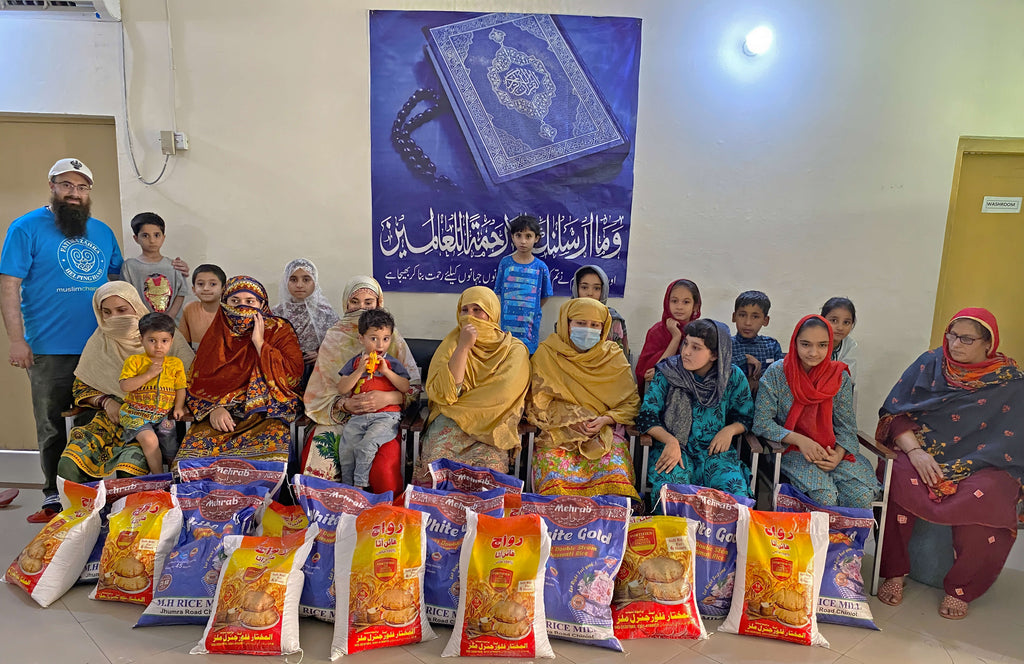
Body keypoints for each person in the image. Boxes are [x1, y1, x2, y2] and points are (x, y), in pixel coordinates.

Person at [875, 308, 1024, 620]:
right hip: (922, 450)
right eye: (952, 335)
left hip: (981, 462)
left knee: (992, 493)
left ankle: (961, 588)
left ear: (988, 343)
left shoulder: (1010, 382)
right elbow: (895, 414)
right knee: (897, 474)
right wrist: (916, 452)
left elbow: (1013, 440)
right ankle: (894, 571)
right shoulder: (930, 363)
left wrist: (968, 465)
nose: (955, 344)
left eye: (966, 339)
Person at [0, 158, 124, 522]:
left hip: (100, 347)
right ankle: (53, 495)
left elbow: (120, 281)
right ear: (52, 186)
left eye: (82, 187)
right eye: (67, 185)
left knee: (96, 421)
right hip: (48, 347)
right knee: (52, 424)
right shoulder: (25, 228)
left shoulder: (102, 232)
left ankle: (90, 492)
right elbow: (9, 286)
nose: (74, 193)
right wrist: (16, 340)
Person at [58, 282, 193, 486]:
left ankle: (156, 491)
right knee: (70, 463)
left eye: (122, 310)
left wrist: (172, 406)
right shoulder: (99, 341)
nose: (114, 318)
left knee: (129, 467)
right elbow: (81, 387)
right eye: (107, 312)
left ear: (136, 307)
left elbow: (190, 380)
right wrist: (106, 402)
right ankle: (83, 504)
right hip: (108, 420)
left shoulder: (166, 337)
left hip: (154, 421)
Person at [302, 276, 421, 490]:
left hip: (383, 418)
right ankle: (334, 506)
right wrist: (344, 404)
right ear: (345, 304)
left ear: (378, 304)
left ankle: (373, 505)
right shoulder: (334, 337)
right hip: (338, 420)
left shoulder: (391, 338)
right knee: (322, 461)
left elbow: (412, 387)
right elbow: (319, 392)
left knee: (382, 467)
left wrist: (389, 397)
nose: (361, 308)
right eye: (354, 302)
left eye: (368, 302)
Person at [173, 276, 303, 469]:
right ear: (225, 305)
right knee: (190, 467)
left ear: (262, 304)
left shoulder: (278, 330)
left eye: (250, 302)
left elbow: (293, 375)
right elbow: (197, 381)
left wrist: (260, 344)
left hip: (266, 414)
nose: (242, 307)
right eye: (235, 301)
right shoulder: (217, 334)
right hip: (221, 416)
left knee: (266, 468)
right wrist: (213, 409)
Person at [752, 315, 878, 508]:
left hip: (830, 450)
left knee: (860, 496)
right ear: (795, 343)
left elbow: (847, 427)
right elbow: (762, 422)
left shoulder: (839, 377)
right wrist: (800, 440)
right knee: (825, 497)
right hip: (792, 450)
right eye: (805, 344)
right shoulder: (777, 373)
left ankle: (845, 531)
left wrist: (837, 455)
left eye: (822, 345)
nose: (813, 352)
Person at [412, 286, 530, 484]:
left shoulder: (514, 350)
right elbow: (446, 394)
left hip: (491, 426)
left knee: (487, 474)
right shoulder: (452, 343)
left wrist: (460, 405)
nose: (469, 316)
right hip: (450, 422)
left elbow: (503, 396)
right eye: (464, 310)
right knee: (436, 468)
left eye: (477, 310)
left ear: (492, 313)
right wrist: (463, 347)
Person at [527, 298, 640, 498]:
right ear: (566, 323)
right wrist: (570, 418)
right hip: (557, 433)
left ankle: (610, 518)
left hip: (602, 433)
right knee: (554, 477)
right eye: (580, 323)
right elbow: (536, 401)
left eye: (595, 325)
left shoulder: (613, 356)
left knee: (615, 474)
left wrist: (606, 419)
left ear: (603, 328)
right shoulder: (548, 353)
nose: (588, 330)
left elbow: (631, 403)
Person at [636, 318, 754, 499]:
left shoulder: (732, 377)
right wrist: (670, 441)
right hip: (674, 449)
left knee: (734, 494)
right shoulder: (668, 372)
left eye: (696, 347)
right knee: (673, 494)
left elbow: (745, 416)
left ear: (715, 354)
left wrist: (730, 430)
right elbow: (647, 415)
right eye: (686, 344)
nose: (686, 352)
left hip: (714, 452)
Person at [336, 309, 411, 488]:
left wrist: (386, 371)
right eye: (373, 338)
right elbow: (342, 388)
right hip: (358, 417)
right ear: (361, 338)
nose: (380, 345)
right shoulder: (355, 363)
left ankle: (360, 485)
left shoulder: (392, 363)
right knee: (346, 449)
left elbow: (405, 387)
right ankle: (347, 487)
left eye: (385, 339)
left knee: (366, 446)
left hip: (386, 417)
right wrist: (359, 370)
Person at [118, 312, 188, 474]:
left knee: (170, 445)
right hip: (136, 415)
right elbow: (125, 386)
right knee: (150, 440)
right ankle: (159, 478)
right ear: (141, 339)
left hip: (163, 415)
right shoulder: (135, 361)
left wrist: (178, 407)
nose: (158, 346)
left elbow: (180, 388)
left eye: (164, 341)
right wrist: (148, 374)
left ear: (171, 341)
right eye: (152, 340)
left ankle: (174, 477)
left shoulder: (175, 364)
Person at [272, 258, 340, 390]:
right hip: (283, 372)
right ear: (286, 281)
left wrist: (321, 354)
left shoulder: (326, 314)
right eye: (293, 279)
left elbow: (338, 347)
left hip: (318, 373)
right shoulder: (276, 313)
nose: (299, 285)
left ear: (315, 281)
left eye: (306, 279)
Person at [493, 214, 553, 354]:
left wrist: (531, 309)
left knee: (527, 360)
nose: (523, 241)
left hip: (529, 330)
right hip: (507, 330)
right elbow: (498, 292)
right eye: (518, 235)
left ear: (536, 238)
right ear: (512, 237)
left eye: (528, 236)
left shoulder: (540, 267)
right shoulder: (505, 263)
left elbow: (545, 295)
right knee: (507, 360)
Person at [118, 212, 189, 320]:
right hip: (141, 324)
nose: (152, 240)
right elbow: (127, 296)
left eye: (156, 235)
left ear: (163, 237)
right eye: (145, 235)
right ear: (136, 238)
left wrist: (170, 317)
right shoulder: (129, 266)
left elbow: (181, 292)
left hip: (171, 325)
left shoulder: (174, 265)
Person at [636, 279, 702, 385]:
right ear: (667, 303)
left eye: (686, 302)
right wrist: (676, 337)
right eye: (674, 301)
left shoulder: (700, 333)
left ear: (695, 306)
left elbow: (701, 370)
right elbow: (648, 374)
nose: (679, 307)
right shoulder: (656, 332)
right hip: (660, 389)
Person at [569, 265, 630, 360]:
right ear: (576, 289)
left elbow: (620, 359)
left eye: (596, 288)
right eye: (584, 287)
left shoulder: (613, 320)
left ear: (603, 291)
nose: (590, 293)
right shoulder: (566, 317)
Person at [730, 290, 784, 392]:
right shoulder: (726, 345)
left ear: (765, 320)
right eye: (742, 315)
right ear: (734, 317)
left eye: (755, 317)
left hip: (767, 399)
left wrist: (760, 382)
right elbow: (717, 370)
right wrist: (744, 358)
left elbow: (781, 378)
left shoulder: (772, 346)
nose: (748, 322)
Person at [179, 263, 227, 349]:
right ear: (194, 289)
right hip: (195, 355)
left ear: (223, 289)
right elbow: (184, 342)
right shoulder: (190, 309)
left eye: (213, 284)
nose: (206, 288)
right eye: (200, 284)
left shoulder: (229, 313)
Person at [821, 297, 859, 384]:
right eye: (834, 320)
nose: (840, 328)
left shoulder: (850, 346)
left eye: (846, 322)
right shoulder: (813, 340)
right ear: (822, 320)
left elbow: (849, 378)